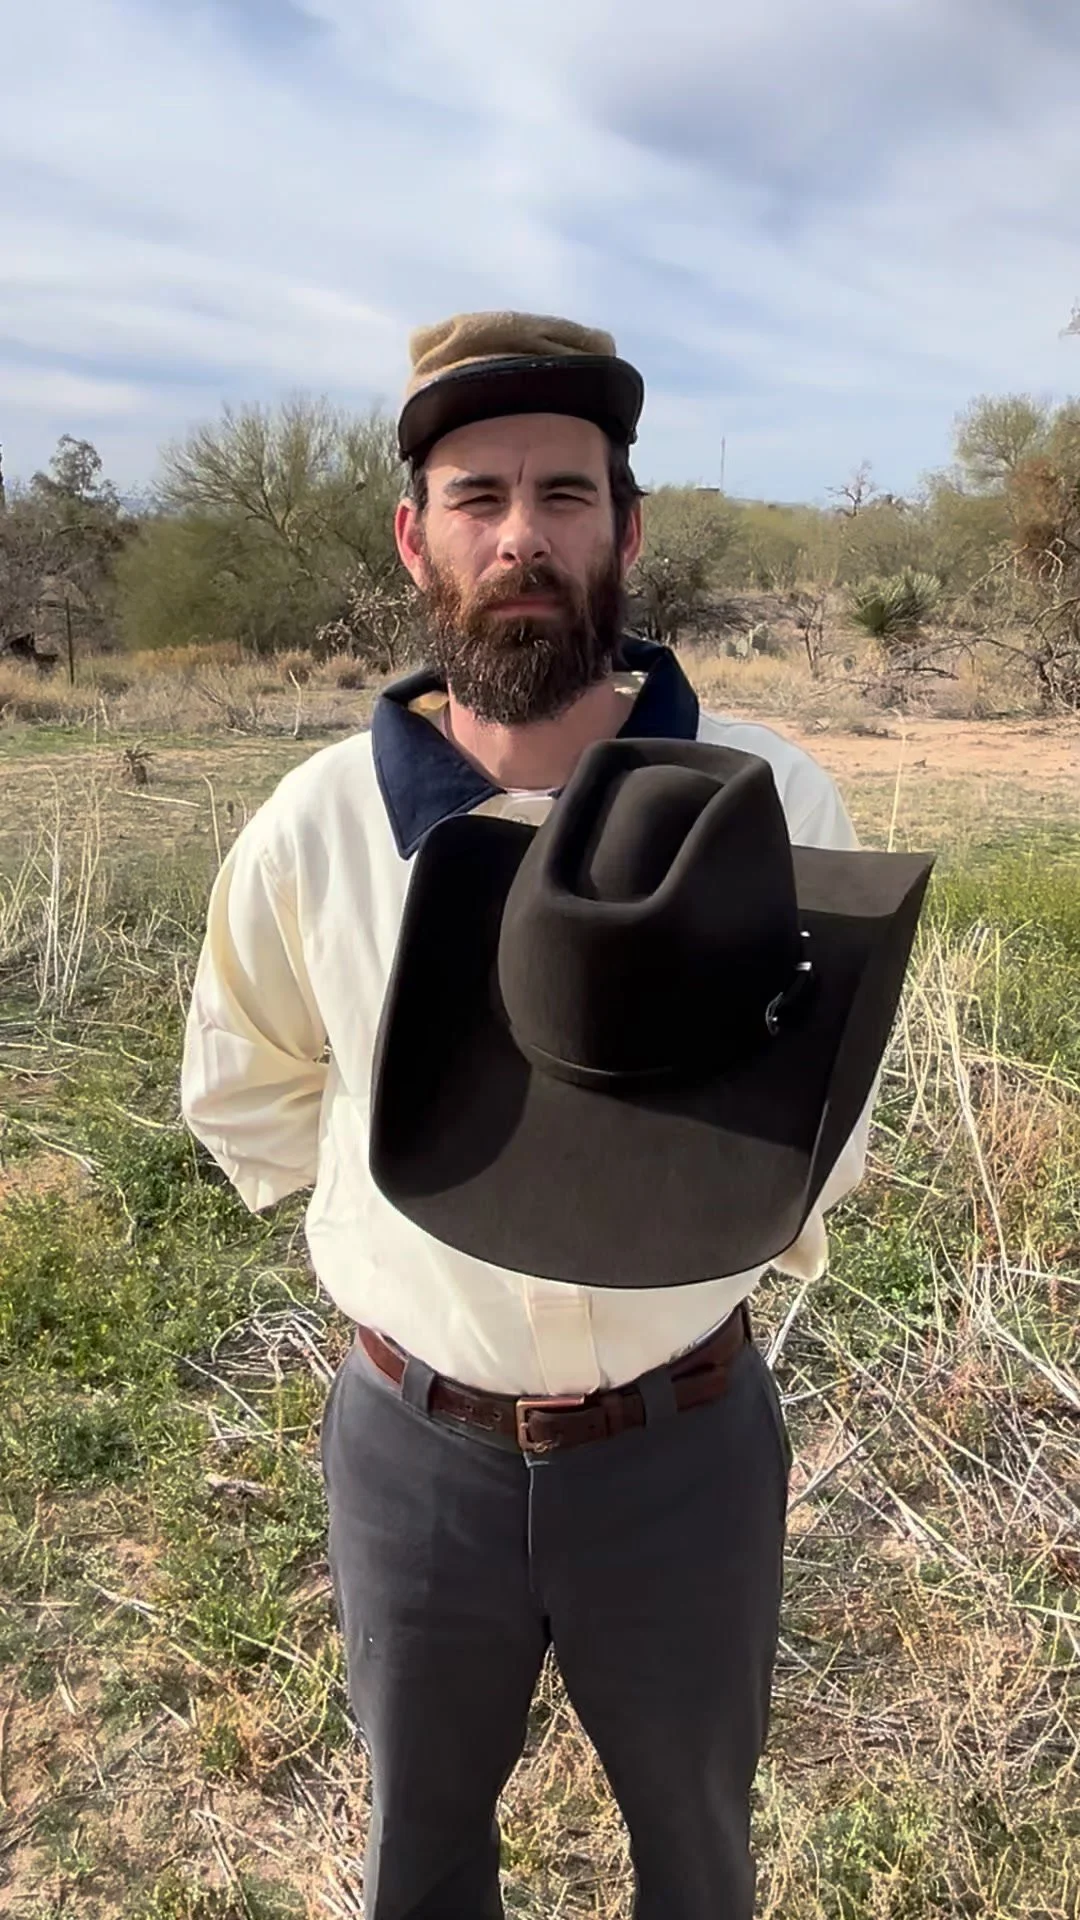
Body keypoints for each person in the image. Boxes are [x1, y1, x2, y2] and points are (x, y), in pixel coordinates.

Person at [181, 312, 872, 1920]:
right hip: (413, 1453)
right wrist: (416, 1242)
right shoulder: (316, 827)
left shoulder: (772, 800)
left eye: (565, 494)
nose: (521, 537)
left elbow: (823, 1107)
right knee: (421, 1861)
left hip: (687, 1446)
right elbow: (252, 1090)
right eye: (477, 497)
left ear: (627, 531)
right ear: (413, 538)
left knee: (700, 1857)